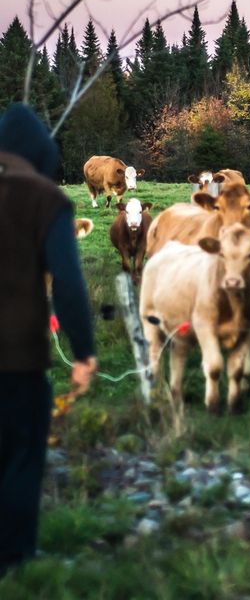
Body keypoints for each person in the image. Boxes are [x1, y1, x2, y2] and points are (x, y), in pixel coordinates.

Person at [0, 103, 96, 576]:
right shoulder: (45, 198)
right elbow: (69, 282)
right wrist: (84, 351)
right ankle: (14, 564)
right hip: (16, 362)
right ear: (40, 153)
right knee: (20, 457)